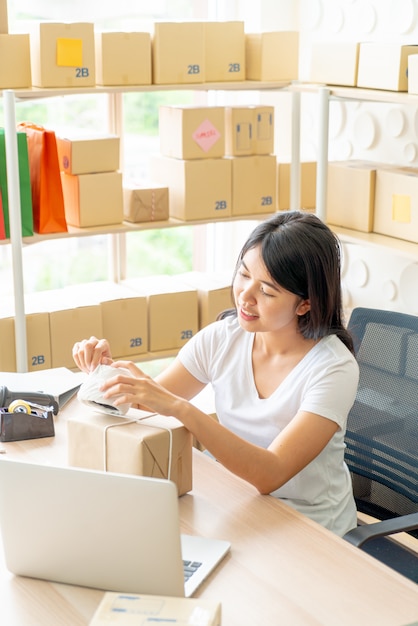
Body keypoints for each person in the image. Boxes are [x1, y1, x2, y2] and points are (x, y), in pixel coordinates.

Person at [72, 210, 359, 537]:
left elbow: (271, 474)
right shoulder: (223, 337)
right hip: (236, 501)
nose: (245, 296)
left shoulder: (333, 368)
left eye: (267, 290)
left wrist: (181, 409)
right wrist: (105, 373)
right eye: (243, 274)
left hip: (310, 526)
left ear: (304, 304)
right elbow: (148, 407)